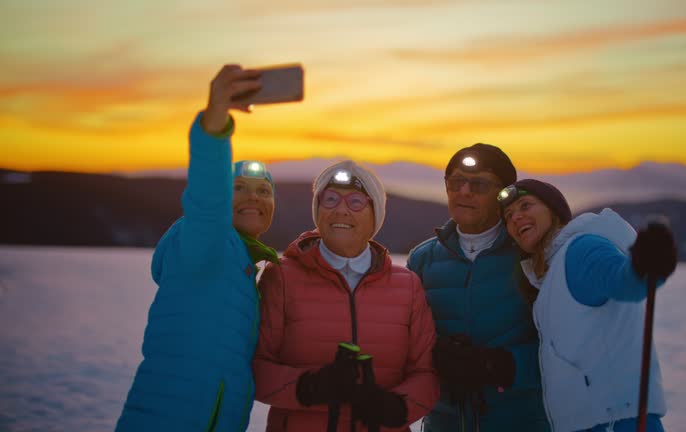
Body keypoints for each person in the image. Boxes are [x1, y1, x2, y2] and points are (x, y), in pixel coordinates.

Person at [116, 64, 279, 432]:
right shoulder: (207, 242)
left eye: (264, 191)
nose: (254, 196)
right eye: (238, 187)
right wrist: (215, 123)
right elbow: (206, 198)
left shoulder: (245, 272)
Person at [251, 160, 440, 432]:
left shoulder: (407, 286)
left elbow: (427, 372)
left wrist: (398, 406)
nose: (340, 210)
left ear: (375, 214)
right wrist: (309, 387)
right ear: (317, 210)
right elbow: (254, 366)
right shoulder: (281, 277)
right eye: (329, 199)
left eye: (355, 202)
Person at [498, 179, 676, 432]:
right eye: (509, 216)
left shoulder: (581, 250)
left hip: (615, 423)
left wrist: (645, 266)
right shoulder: (550, 276)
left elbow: (624, 280)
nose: (516, 218)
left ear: (553, 210)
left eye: (525, 206)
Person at [407, 143, 550, 431]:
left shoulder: (533, 256)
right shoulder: (422, 259)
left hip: (520, 421)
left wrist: (500, 365)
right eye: (456, 182)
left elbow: (565, 347)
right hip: (445, 422)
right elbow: (408, 343)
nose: (464, 192)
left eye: (480, 184)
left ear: (503, 196)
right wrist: (435, 357)